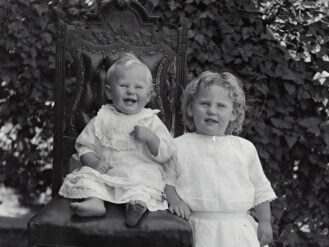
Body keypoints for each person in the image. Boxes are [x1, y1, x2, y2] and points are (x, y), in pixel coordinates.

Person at [59, 53, 175, 227]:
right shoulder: (102, 117)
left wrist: (151, 138)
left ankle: (135, 206)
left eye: (138, 87)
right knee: (87, 175)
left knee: (148, 181)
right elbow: (84, 146)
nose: (131, 91)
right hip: (106, 172)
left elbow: (167, 153)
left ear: (149, 94)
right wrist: (94, 162)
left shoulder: (150, 120)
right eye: (123, 85)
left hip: (139, 173)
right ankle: (95, 202)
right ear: (109, 91)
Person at [165, 71, 277, 247]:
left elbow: (260, 189)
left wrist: (264, 222)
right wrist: (176, 201)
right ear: (190, 109)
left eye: (221, 106)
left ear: (233, 113)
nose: (212, 110)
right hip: (196, 227)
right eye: (204, 103)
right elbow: (168, 181)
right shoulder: (178, 146)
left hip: (238, 229)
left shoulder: (245, 148)